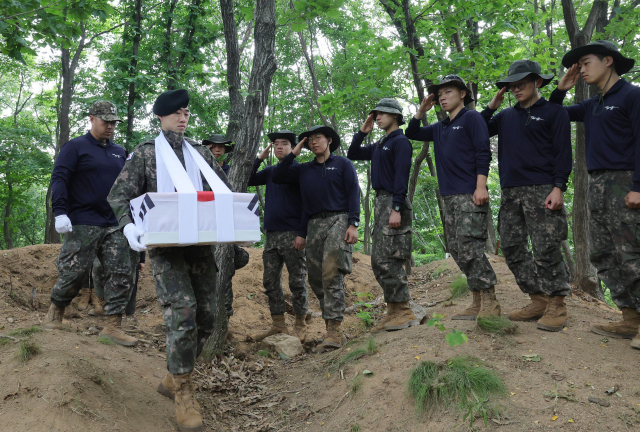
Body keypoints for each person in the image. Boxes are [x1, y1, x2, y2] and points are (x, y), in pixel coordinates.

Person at [107, 89, 232, 431]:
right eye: (176, 113)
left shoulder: (201, 153)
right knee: (183, 313)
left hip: (201, 249)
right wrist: (129, 227)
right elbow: (119, 195)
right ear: (160, 117)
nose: (183, 117)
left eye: (186, 112)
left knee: (206, 319)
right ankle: (184, 396)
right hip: (166, 252)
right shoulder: (146, 153)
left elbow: (224, 193)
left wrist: (235, 237)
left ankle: (171, 378)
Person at [549, 41, 640, 347]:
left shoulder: (633, 95)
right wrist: (561, 89)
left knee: (632, 254)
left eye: (586, 63)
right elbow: (554, 115)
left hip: (626, 182)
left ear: (608, 61)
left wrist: (638, 187)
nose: (581, 70)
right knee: (604, 253)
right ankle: (630, 319)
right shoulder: (592, 105)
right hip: (596, 185)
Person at [480, 60, 573, 332]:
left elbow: (563, 153)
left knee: (547, 246)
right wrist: (491, 107)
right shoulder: (505, 116)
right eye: (512, 85)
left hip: (543, 188)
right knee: (511, 246)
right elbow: (478, 131)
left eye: (522, 83)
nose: (516, 88)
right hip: (511, 191)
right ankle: (538, 298)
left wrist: (559, 187)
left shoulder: (555, 112)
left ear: (538, 82)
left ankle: (558, 304)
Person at [405, 75, 500, 320]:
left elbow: (483, 152)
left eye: (448, 92)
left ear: (463, 94)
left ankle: (491, 302)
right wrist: (422, 110)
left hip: (470, 193)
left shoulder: (472, 118)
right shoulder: (440, 126)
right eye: (440, 94)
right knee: (457, 250)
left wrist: (481, 186)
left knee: (471, 248)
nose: (443, 97)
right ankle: (477, 300)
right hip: (448, 196)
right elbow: (412, 133)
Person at [44, 100, 138, 347]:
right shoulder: (75, 147)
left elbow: (130, 186)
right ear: (92, 118)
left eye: (113, 122)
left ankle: (112, 326)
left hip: (115, 222)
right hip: (83, 221)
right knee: (75, 271)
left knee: (121, 272)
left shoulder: (119, 151)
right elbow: (59, 178)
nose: (110, 126)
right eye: (105, 121)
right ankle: (55, 313)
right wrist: (60, 212)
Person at [273, 125, 360, 350]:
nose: (313, 142)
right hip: (313, 224)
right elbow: (279, 175)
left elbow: (353, 193)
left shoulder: (343, 164)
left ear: (329, 140)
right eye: (309, 139)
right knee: (315, 278)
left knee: (332, 271)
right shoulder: (303, 170)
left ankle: (334, 330)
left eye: (318, 138)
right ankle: (331, 326)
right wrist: (296, 150)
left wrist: (353, 223)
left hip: (339, 219)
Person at [348, 98, 418, 332]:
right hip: (380, 203)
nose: (377, 117)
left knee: (391, 258)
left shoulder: (401, 142)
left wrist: (396, 208)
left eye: (382, 113)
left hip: (393, 201)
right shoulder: (380, 144)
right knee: (379, 260)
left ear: (396, 116)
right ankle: (393, 310)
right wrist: (362, 132)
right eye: (375, 113)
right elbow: (353, 153)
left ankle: (405, 310)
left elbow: (402, 175)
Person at [248, 130, 309, 342]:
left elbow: (307, 204)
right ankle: (278, 325)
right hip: (272, 235)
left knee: (297, 280)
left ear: (294, 147)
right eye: (275, 144)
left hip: (293, 235)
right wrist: (258, 159)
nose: (279, 147)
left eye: (284, 143)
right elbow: (248, 179)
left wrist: (302, 233)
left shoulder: (300, 171)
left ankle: (301, 322)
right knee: (270, 281)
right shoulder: (271, 170)